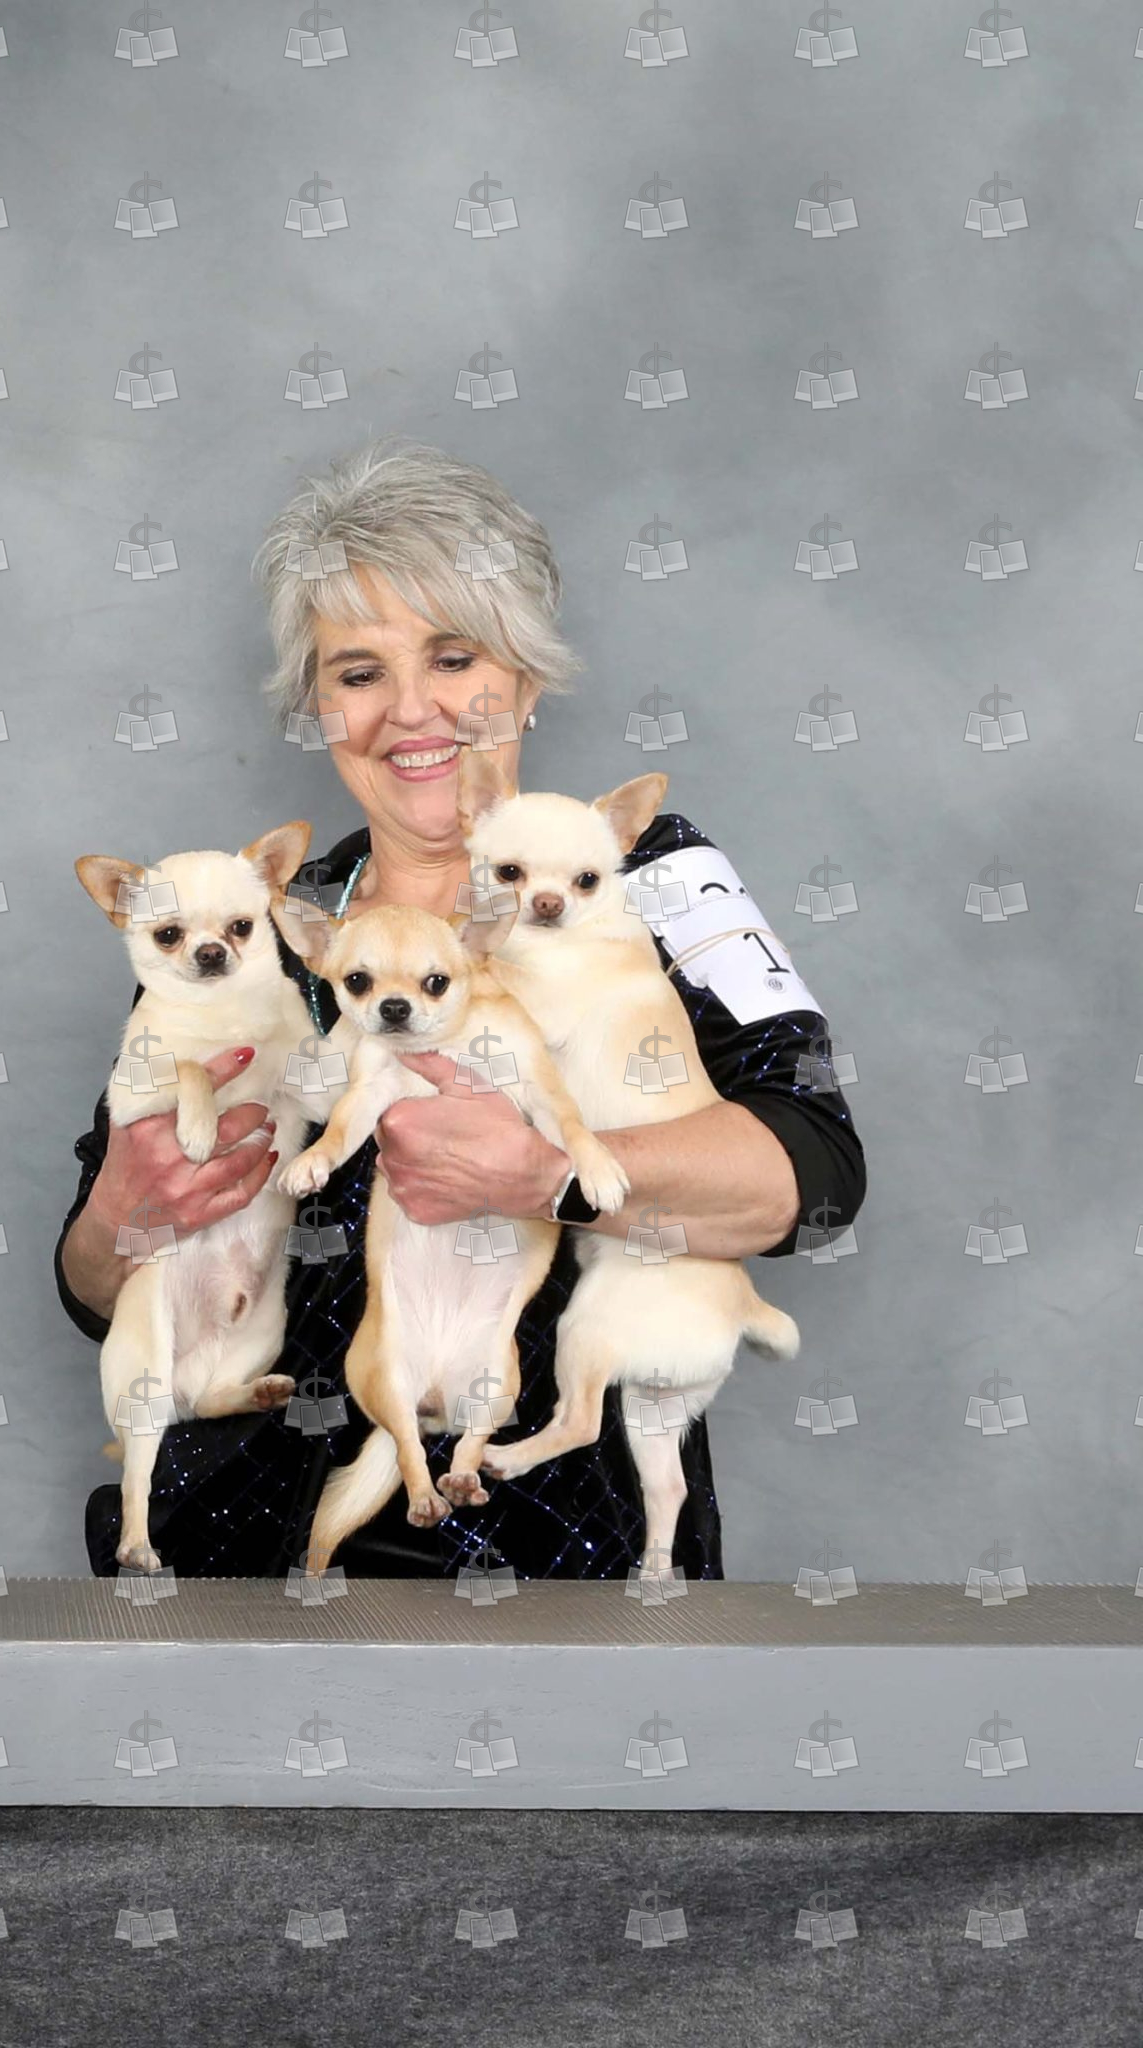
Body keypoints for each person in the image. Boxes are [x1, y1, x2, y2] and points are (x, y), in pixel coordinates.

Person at [55, 439, 866, 1583]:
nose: (410, 709)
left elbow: (817, 1172)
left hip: (554, 1566)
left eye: (453, 656)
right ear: (317, 706)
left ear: (525, 676)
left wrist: (548, 1173)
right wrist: (118, 1214)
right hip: (232, 1558)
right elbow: (98, 1287)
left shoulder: (651, 875)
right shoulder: (245, 921)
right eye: (357, 672)